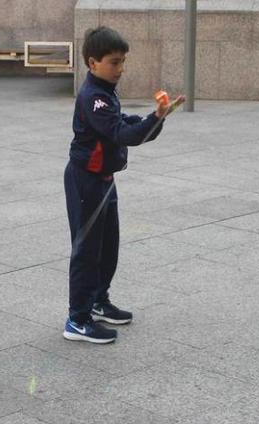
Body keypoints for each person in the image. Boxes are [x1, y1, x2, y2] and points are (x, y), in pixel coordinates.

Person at [63, 26, 182, 344]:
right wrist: (155, 120)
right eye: (114, 62)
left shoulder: (104, 92)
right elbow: (122, 133)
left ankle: (98, 301)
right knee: (87, 251)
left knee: (107, 246)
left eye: (122, 62)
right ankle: (77, 319)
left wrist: (156, 116)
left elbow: (126, 123)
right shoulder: (94, 97)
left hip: (103, 180)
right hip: (85, 181)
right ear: (92, 63)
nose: (120, 68)